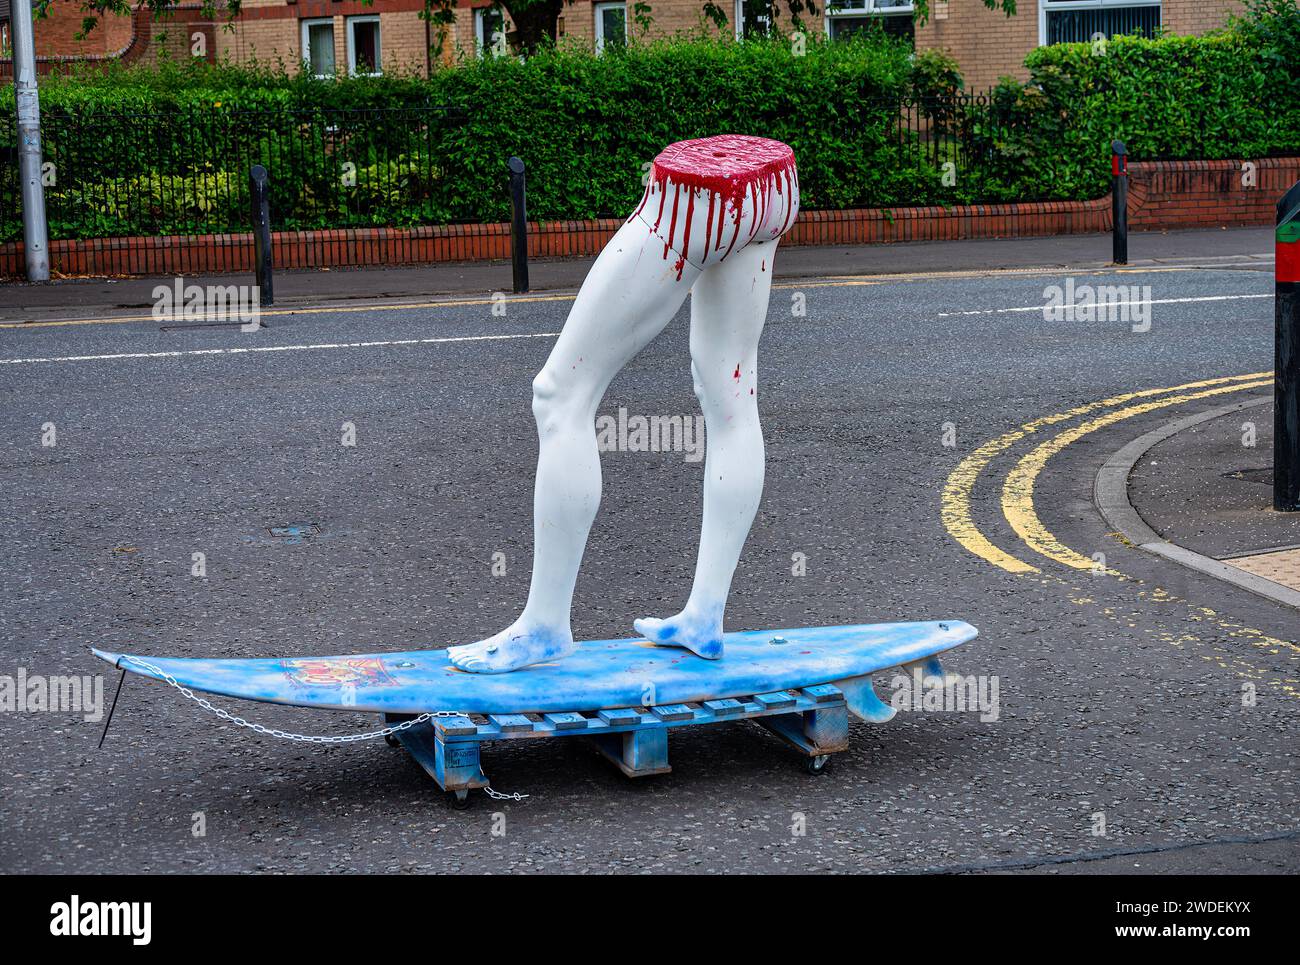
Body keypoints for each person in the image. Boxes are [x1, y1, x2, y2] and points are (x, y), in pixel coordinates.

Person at [448, 135, 800, 674]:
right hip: (769, 190)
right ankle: (704, 616)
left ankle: (545, 626)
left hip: (695, 202)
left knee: (560, 394)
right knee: (732, 396)